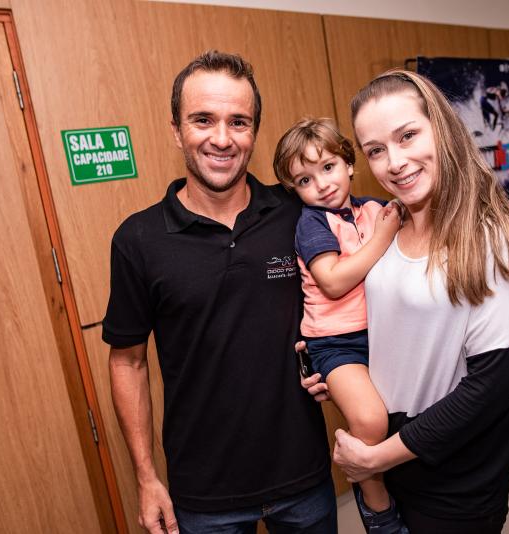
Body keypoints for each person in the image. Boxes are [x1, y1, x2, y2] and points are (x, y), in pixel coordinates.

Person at [303, 69, 509, 533]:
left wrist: (376, 458)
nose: (394, 162)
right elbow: (400, 336)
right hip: (389, 467)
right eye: (376, 150)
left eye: (408, 136)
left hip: (454, 487)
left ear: (443, 128)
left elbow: (489, 389)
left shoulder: (499, 243)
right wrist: (339, 372)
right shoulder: (386, 229)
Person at [104, 51, 336, 534]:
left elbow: (349, 295)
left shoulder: (296, 214)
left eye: (239, 122)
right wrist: (146, 477)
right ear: (176, 130)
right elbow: (128, 362)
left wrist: (337, 364)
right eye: (203, 120)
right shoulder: (138, 239)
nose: (222, 138)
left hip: (304, 477)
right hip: (205, 497)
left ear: (254, 131)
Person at [272, 117, 405, 533]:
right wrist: (383, 237)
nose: (321, 184)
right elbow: (331, 281)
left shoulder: (374, 210)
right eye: (304, 180)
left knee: (407, 420)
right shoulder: (313, 223)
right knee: (370, 421)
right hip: (336, 342)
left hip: (384, 335)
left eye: (328, 167)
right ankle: (378, 509)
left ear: (349, 163)